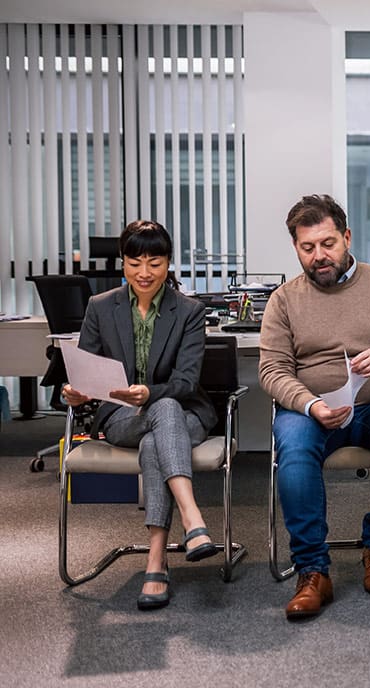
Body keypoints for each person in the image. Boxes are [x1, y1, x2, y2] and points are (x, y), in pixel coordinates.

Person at [260, 194, 370, 621]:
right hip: (313, 408)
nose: (319, 256)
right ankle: (312, 570)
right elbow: (272, 370)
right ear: (296, 248)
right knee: (294, 449)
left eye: (327, 244)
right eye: (307, 248)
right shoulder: (284, 300)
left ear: (347, 237)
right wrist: (309, 403)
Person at [63, 220, 220, 611]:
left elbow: (185, 382)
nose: (144, 272)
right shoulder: (101, 307)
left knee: (161, 420)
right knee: (157, 417)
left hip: (184, 413)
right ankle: (192, 518)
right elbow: (85, 369)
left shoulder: (189, 311)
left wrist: (150, 392)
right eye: (135, 262)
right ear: (122, 263)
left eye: (154, 261)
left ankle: (156, 558)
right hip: (121, 417)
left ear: (169, 263)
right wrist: (76, 392)